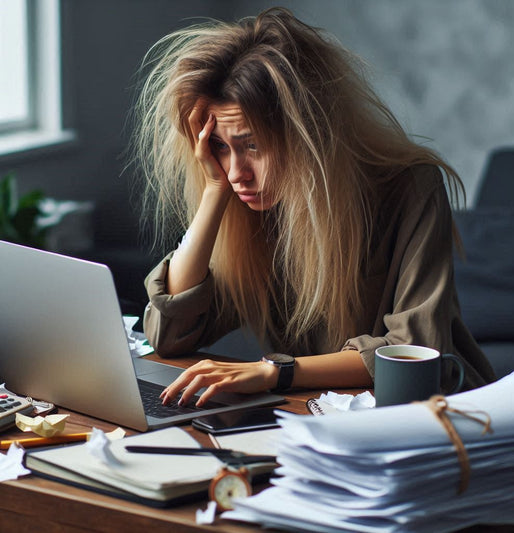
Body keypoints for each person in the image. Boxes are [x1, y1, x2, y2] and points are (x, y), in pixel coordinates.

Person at [132, 7, 495, 407]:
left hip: (434, 415)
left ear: (311, 135)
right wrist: (215, 191)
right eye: (220, 146)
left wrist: (276, 371)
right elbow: (168, 335)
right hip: (314, 413)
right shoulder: (251, 204)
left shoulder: (410, 186)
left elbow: (413, 349)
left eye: (252, 145)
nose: (238, 173)